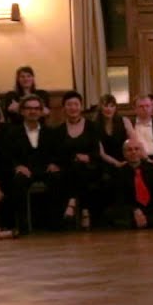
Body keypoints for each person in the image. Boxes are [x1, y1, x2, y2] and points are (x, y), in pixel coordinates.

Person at [1, 94, 62, 231]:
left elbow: (57, 152)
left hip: (46, 170)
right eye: (28, 108)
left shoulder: (51, 132)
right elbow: (7, 155)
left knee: (58, 178)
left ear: (41, 112)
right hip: (25, 171)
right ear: (22, 111)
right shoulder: (12, 133)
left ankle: (55, 224)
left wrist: (54, 163)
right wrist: (17, 166)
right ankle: (23, 226)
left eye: (36, 108)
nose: (32, 111)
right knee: (17, 181)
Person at [56, 91, 100, 228]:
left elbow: (97, 152)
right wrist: (74, 158)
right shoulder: (59, 130)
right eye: (69, 104)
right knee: (76, 168)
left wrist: (88, 157)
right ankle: (85, 211)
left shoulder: (92, 127)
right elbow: (58, 154)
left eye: (76, 104)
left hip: (91, 167)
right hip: (68, 168)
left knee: (80, 168)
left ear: (81, 107)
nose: (73, 108)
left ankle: (71, 202)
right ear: (64, 108)